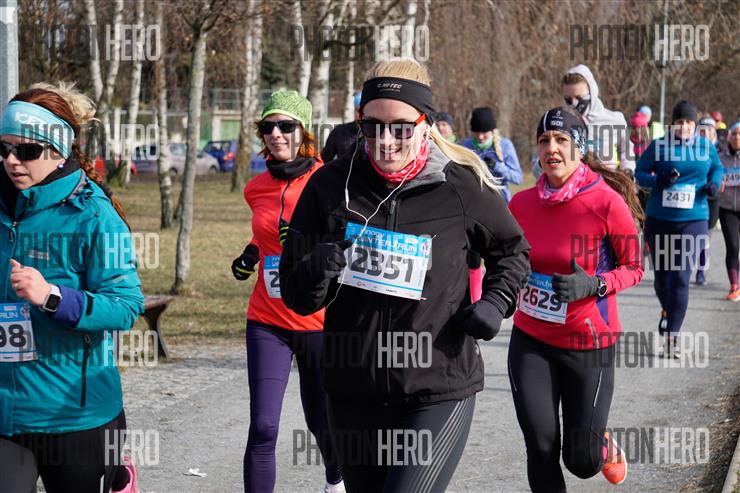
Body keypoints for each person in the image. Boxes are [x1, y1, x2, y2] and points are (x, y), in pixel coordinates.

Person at [279, 58, 531, 492]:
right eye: (372, 127)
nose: (385, 141)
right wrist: (316, 266)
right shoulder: (330, 186)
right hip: (353, 390)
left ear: (425, 124)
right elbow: (297, 295)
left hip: (437, 386)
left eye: (400, 128)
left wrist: (496, 301)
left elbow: (513, 250)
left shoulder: (460, 185)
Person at [0, 83, 143, 493]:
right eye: (3, 149)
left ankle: (119, 476)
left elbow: (126, 306)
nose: (11, 161)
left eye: (27, 151)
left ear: (58, 150)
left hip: (75, 415)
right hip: (7, 413)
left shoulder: (93, 215)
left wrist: (52, 297)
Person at [508, 106, 644, 492]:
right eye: (544, 140)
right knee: (540, 447)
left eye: (561, 140)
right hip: (531, 339)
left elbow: (635, 267)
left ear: (579, 147)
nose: (551, 148)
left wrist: (595, 285)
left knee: (581, 462)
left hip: (589, 342)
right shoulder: (520, 204)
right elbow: (504, 258)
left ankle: (600, 445)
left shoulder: (606, 202)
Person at [232, 90, 344, 493]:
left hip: (317, 321)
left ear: (304, 132)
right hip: (267, 320)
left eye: (286, 126)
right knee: (263, 426)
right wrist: (250, 254)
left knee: (320, 420)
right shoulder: (255, 188)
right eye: (268, 127)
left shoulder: (327, 181)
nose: (276, 134)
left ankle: (336, 479)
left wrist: (303, 243)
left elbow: (343, 239)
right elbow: (264, 236)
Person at [636, 100, 724, 357]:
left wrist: (713, 183)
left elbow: (717, 169)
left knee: (681, 277)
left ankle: (672, 335)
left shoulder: (705, 147)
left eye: (688, 122)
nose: (684, 126)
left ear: (695, 125)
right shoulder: (659, 146)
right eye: (679, 122)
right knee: (662, 279)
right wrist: (659, 180)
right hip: (659, 219)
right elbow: (639, 173)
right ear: (672, 124)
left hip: (693, 219)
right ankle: (667, 311)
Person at [562, 65, 635, 173]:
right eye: (568, 99)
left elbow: (626, 150)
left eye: (579, 97)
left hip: (607, 180)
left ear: (592, 91)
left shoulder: (615, 119)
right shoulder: (561, 123)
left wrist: (628, 171)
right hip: (575, 181)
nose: (574, 104)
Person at [461, 106, 523, 202]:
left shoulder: (505, 145)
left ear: (491, 130)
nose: (480, 137)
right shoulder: (466, 146)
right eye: (477, 132)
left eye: (484, 132)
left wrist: (497, 166)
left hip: (500, 201)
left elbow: (518, 178)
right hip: (474, 200)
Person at [695, 116, 721, 285]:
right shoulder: (691, 149)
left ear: (714, 133)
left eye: (709, 130)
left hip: (713, 199)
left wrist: (715, 183)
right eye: (702, 131)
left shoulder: (721, 151)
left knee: (705, 238)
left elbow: (722, 170)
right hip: (695, 197)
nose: (705, 134)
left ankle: (701, 271)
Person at [718, 121, 740, 301]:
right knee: (733, 246)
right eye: (734, 134)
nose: (737, 138)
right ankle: (734, 285)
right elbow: (713, 176)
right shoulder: (720, 158)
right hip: (726, 208)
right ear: (729, 136)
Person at [321, 91, 361, 162]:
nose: (361, 115)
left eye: (365, 111)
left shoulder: (378, 134)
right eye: (358, 110)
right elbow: (324, 160)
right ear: (354, 111)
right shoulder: (340, 131)